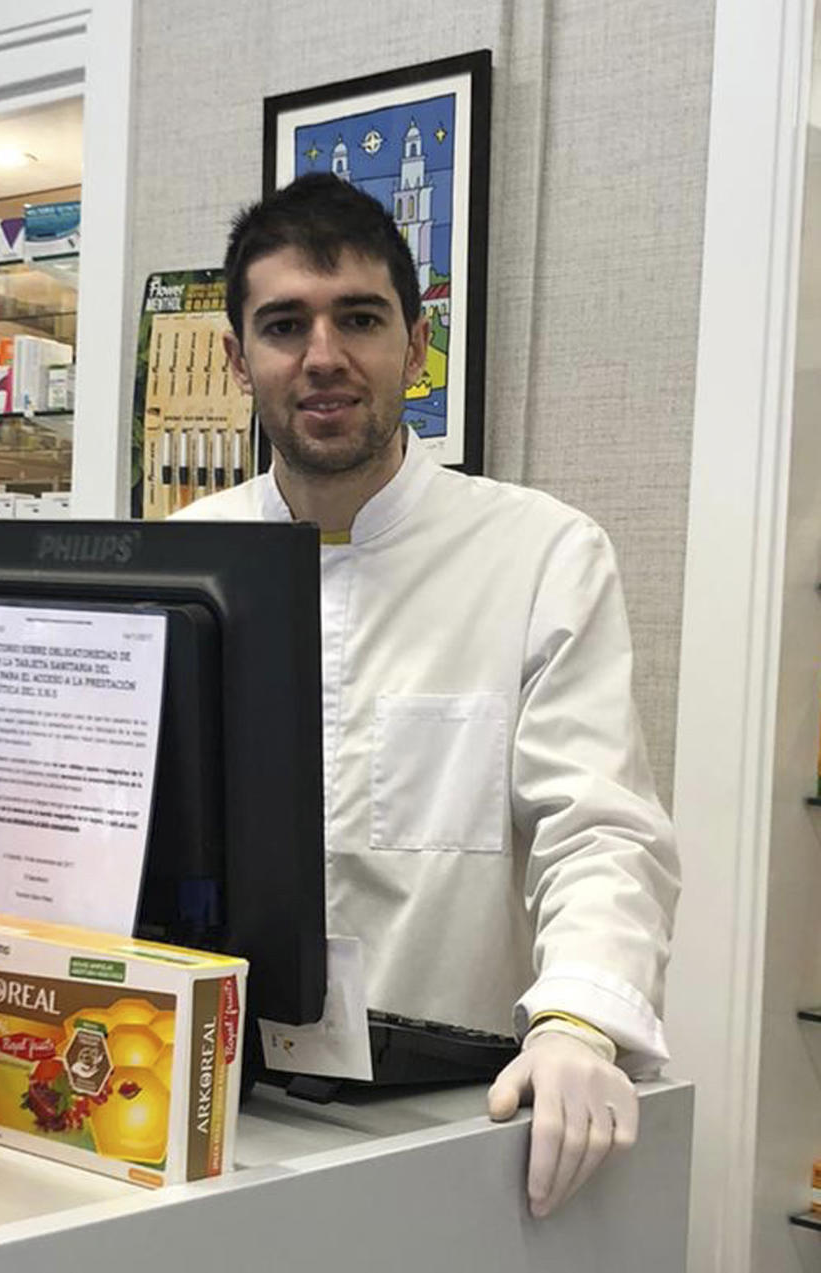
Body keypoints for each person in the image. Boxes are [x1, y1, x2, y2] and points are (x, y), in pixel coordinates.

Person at [171, 172, 680, 1219]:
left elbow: (599, 828)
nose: (323, 356)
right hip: (207, 1118)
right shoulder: (180, 564)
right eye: (283, 324)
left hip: (456, 1129)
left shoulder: (540, 553)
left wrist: (580, 1018)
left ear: (414, 343)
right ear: (236, 358)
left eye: (359, 317)